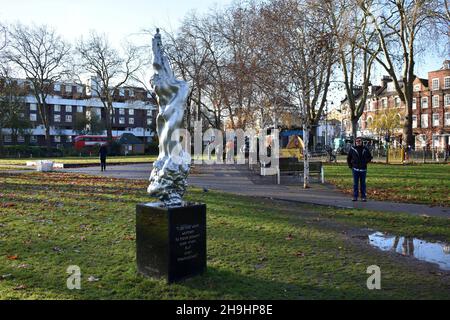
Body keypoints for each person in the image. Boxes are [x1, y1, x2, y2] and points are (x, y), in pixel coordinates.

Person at [347, 137, 372, 202]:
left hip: (363, 169)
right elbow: (348, 158)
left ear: (361, 142)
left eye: (359, 141)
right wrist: (350, 165)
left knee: (363, 184)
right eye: (357, 141)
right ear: (355, 142)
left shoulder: (365, 149)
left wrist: (365, 161)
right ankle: (355, 196)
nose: (358, 142)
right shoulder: (352, 149)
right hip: (355, 169)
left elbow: (370, 157)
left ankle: (363, 197)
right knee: (355, 184)